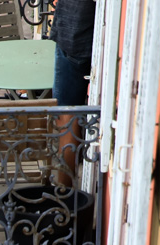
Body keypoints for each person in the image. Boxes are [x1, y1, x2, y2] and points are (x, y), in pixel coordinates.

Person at [49, 0, 96, 184]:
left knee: (66, 115)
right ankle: (66, 190)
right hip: (75, 32)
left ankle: (65, 191)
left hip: (76, 36)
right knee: (67, 114)